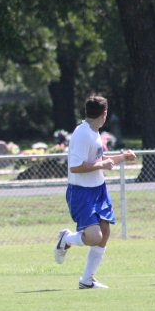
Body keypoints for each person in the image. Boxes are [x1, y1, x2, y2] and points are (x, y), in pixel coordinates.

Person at [54, 96, 136, 289]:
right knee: (93, 237)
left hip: (98, 189)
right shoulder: (82, 134)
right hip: (81, 192)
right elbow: (75, 167)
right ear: (104, 114)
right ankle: (65, 239)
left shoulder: (94, 132)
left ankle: (87, 280)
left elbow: (98, 160)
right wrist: (103, 164)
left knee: (104, 232)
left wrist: (122, 157)